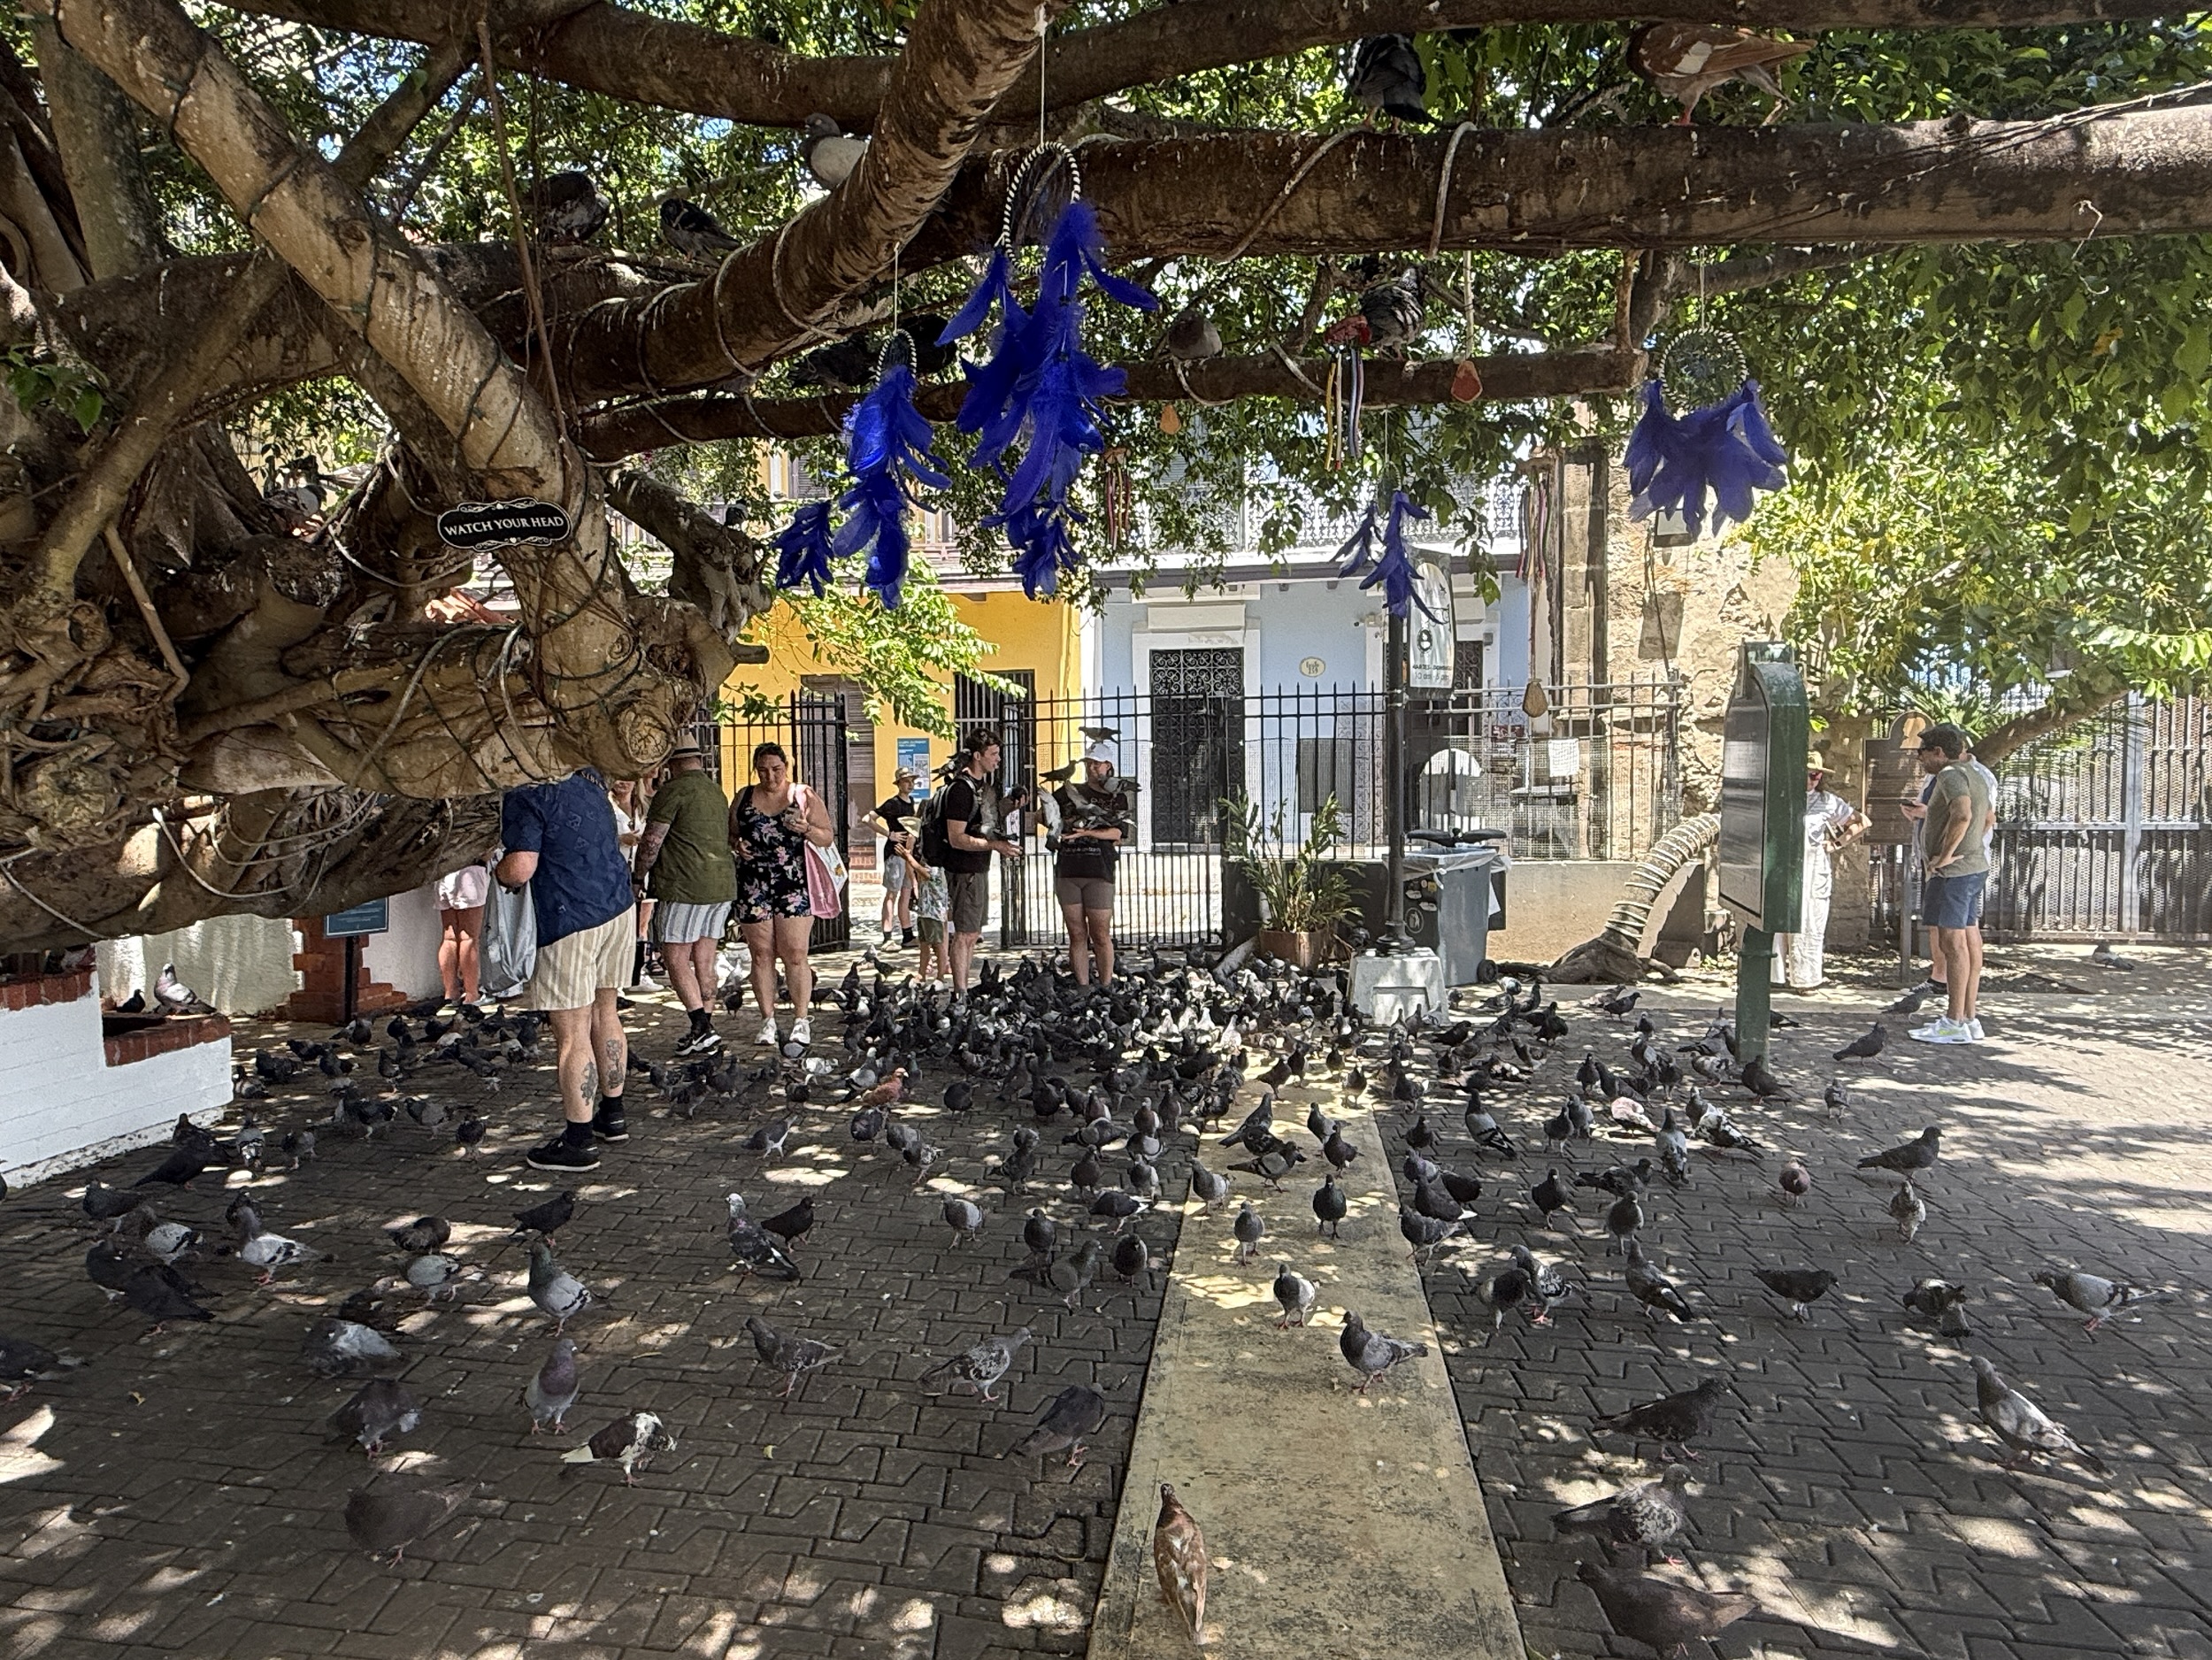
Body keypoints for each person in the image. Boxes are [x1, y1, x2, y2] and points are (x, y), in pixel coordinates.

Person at [496, 767, 636, 1172]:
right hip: (617, 907)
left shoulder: (526, 792)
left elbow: (521, 867)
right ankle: (612, 1116)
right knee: (606, 1014)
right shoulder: (590, 779)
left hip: (570, 916)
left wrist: (497, 872)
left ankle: (578, 1141)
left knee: (572, 1033)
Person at [729, 742, 836, 1049]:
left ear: (786, 768)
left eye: (776, 769)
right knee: (761, 954)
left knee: (795, 954)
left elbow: (827, 836)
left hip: (794, 882)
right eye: (763, 770)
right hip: (753, 882)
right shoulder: (745, 796)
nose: (770, 776)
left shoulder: (803, 795)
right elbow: (731, 832)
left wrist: (806, 829)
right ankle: (768, 1020)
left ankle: (801, 1020)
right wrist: (737, 845)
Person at [634, 740, 736, 1057]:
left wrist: (638, 876)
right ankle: (706, 1026)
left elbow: (652, 840)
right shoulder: (715, 791)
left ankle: (700, 1026)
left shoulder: (673, 791)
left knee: (675, 957)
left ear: (670, 761)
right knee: (704, 959)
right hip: (721, 885)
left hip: (684, 885)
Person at [1901, 722, 1993, 1045]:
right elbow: (1988, 819)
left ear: (1938, 752)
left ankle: (1954, 1021)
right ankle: (1968, 1017)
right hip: (1971, 869)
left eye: (1922, 753)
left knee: (1952, 944)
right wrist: (1970, 849)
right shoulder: (1976, 773)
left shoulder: (1951, 775)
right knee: (1964, 942)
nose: (1919, 760)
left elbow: (1964, 815)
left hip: (1954, 874)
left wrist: (1945, 855)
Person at [940, 726, 1024, 997]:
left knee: (972, 932)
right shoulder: (961, 791)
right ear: (977, 756)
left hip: (978, 869)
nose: (998, 759)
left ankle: (963, 991)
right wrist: (995, 846)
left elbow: (984, 819)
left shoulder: (982, 788)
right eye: (994, 754)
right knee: (964, 934)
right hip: (965, 871)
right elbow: (956, 838)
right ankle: (960, 994)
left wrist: (1011, 805)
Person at [1774, 750, 1865, 991]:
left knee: (1810, 921)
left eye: (1816, 775)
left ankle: (1806, 979)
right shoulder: (1780, 797)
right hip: (1783, 864)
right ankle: (1775, 977)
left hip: (1813, 867)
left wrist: (1836, 844)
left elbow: (1861, 822)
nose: (1812, 779)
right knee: (1776, 918)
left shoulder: (1828, 801)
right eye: (1807, 774)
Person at [1049, 741, 1135, 986]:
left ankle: (1106, 985)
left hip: (1100, 871)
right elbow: (1044, 815)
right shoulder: (1066, 791)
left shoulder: (1116, 797)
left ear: (1109, 766)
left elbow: (1118, 834)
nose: (1091, 768)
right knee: (1076, 934)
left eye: (1097, 763)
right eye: (1089, 763)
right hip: (1068, 869)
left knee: (1100, 933)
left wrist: (1086, 834)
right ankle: (1083, 987)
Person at [865, 767, 922, 946]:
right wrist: (888, 834)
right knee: (892, 893)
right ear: (899, 784)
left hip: (907, 853)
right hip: (895, 852)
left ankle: (907, 935)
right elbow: (868, 819)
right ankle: (887, 936)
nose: (910, 784)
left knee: (906, 893)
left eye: (912, 781)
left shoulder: (911, 801)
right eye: (906, 781)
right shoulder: (892, 803)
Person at [607, 776, 655, 988]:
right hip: (614, 873)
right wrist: (619, 840)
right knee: (617, 926)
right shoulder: (605, 805)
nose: (623, 782)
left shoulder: (643, 807)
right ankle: (615, 979)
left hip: (640, 872)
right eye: (619, 778)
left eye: (628, 778)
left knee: (641, 924)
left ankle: (639, 971)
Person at [434, 857, 490, 1009]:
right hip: (470, 872)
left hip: (444, 872)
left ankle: (450, 991)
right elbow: (486, 853)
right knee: (469, 937)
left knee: (449, 937)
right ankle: (472, 994)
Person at [910, 842, 949, 987]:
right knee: (924, 944)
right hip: (924, 911)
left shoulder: (936, 870)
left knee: (937, 944)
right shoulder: (927, 866)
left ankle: (941, 976)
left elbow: (924, 873)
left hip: (934, 913)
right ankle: (922, 974)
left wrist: (908, 857)